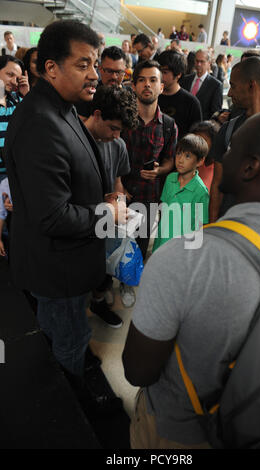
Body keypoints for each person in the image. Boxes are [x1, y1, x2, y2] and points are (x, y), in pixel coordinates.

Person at [122, 108, 260, 449]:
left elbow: (137, 371)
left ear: (251, 167)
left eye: (230, 150)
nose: (220, 156)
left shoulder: (181, 259)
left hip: (178, 432)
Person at [4, 20, 126, 378]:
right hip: (56, 270)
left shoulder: (62, 105)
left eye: (95, 63)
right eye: (83, 64)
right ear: (51, 68)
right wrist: (107, 211)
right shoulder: (41, 123)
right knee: (67, 340)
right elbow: (53, 216)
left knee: (71, 332)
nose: (94, 75)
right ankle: (72, 393)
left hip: (68, 263)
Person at [84, 85, 138, 323]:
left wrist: (119, 202)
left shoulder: (118, 146)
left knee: (102, 275)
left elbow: (117, 181)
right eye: (113, 128)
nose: (117, 135)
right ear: (97, 114)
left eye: (121, 130)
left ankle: (97, 303)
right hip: (77, 224)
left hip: (105, 226)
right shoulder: (74, 140)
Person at [121, 60, 177, 261]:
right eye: (142, 80)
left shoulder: (169, 126)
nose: (147, 85)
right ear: (133, 85)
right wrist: (117, 186)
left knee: (140, 247)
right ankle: (104, 288)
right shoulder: (121, 120)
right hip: (121, 194)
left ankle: (129, 286)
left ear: (161, 87)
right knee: (112, 244)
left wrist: (159, 171)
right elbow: (109, 158)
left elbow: (170, 160)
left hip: (149, 197)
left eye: (153, 80)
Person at [208, 57, 260, 222]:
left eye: (233, 86)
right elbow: (217, 185)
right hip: (228, 224)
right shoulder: (227, 130)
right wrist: (213, 228)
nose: (229, 93)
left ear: (251, 85)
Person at [152, 133, 209, 253]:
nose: (180, 160)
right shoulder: (170, 179)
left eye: (188, 156)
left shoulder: (201, 192)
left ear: (200, 161)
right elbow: (163, 209)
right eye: (178, 154)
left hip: (182, 250)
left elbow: (199, 228)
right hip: (161, 243)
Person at [157, 50, 203, 139]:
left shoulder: (191, 103)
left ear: (178, 74)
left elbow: (195, 139)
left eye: (165, 72)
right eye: (158, 71)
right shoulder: (152, 96)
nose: (160, 76)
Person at [75, 46, 127, 120]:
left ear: (124, 71)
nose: (114, 77)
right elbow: (79, 127)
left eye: (119, 72)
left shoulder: (131, 95)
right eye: (109, 71)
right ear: (100, 69)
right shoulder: (88, 95)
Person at [0, 55, 30, 182]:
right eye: (9, 74)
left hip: (17, 174)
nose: (13, 81)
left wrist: (28, 95)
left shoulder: (19, 100)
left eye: (17, 78)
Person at [180, 50, 223, 120]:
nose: (198, 64)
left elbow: (215, 113)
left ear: (209, 63)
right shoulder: (185, 80)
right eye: (197, 61)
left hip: (200, 127)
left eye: (202, 62)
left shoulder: (216, 85)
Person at [189, 120, 217, 192]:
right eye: (194, 140)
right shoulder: (189, 164)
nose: (197, 145)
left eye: (203, 140)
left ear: (213, 142)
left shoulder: (218, 169)